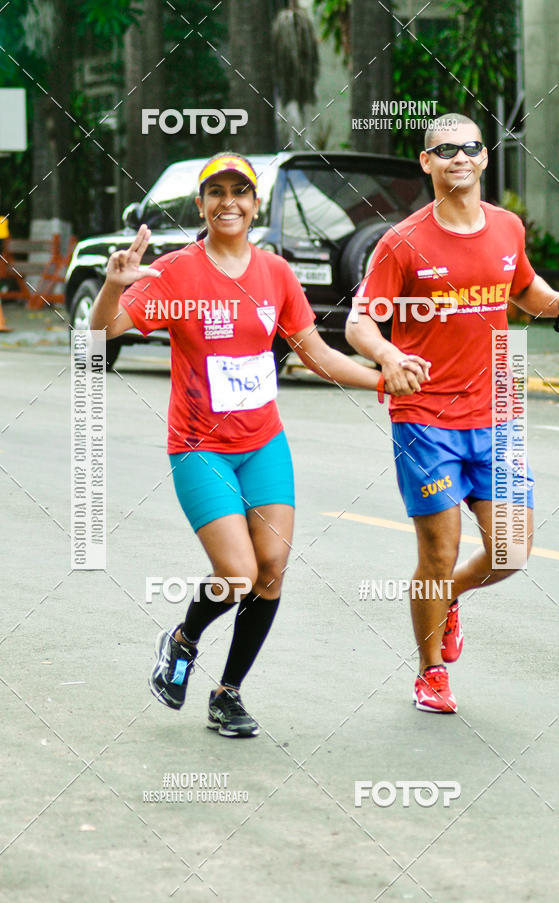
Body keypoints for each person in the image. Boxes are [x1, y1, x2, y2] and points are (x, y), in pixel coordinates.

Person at [90, 152, 422, 737]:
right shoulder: (176, 273)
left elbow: (316, 354)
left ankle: (228, 693)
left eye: (239, 191)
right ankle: (184, 640)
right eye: (215, 192)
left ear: (255, 202)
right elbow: (100, 336)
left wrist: (384, 380)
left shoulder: (275, 273)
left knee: (272, 569)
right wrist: (112, 289)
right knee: (239, 572)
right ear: (201, 205)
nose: (228, 202)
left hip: (264, 441)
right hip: (199, 446)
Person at [345, 114, 559, 714]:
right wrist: (387, 352)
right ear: (426, 163)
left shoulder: (506, 228)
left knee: (511, 552)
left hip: (496, 412)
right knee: (439, 548)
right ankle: (431, 671)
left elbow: (522, 287)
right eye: (444, 148)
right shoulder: (402, 242)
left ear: (483, 159)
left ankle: (445, 598)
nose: (459, 156)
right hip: (424, 417)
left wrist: (558, 307)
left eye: (470, 147)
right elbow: (359, 321)